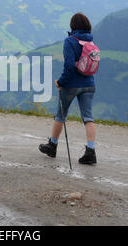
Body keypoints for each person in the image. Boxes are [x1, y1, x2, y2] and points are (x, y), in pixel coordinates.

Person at [39, 12, 97, 165]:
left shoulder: (70, 41)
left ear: (73, 26)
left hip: (71, 85)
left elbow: (69, 66)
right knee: (88, 118)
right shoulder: (90, 42)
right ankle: (91, 151)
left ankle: (53, 146)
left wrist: (61, 81)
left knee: (60, 115)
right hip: (89, 84)